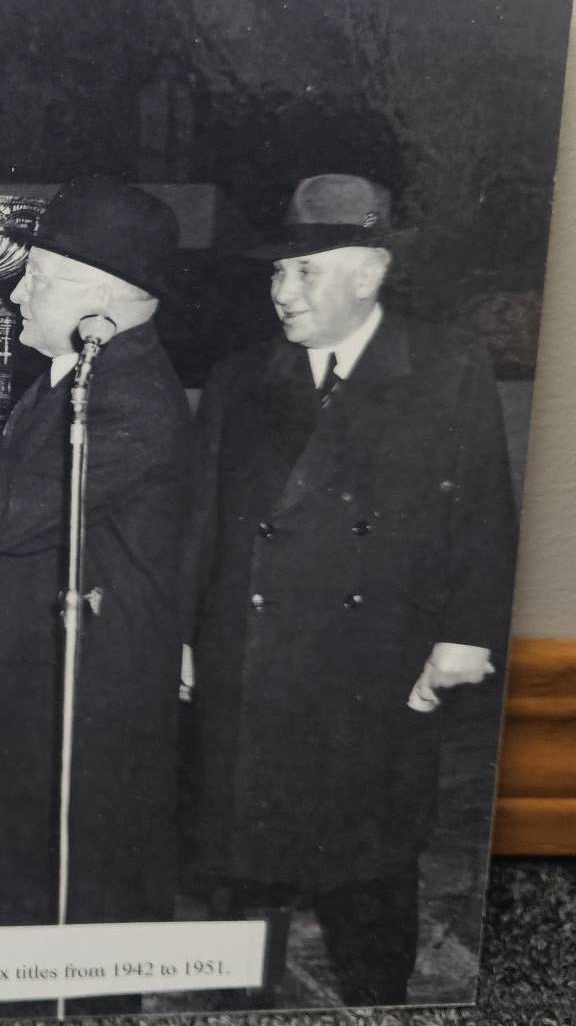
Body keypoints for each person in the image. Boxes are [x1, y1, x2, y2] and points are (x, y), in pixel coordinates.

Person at [182, 173, 518, 1004]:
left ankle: (378, 1001)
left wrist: (465, 637)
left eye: (305, 270)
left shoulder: (444, 367)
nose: (281, 291)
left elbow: (481, 513)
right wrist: (182, 635)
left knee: (369, 870)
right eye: (276, 271)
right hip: (249, 665)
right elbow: (201, 519)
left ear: (369, 271)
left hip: (377, 665)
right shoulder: (239, 376)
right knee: (243, 877)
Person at [0, 178, 191, 958]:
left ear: (102, 303)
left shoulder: (134, 399)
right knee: (13, 879)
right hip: (43, 678)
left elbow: (10, 514)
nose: (19, 292)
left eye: (41, 278)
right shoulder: (77, 375)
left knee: (72, 892)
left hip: (87, 697)